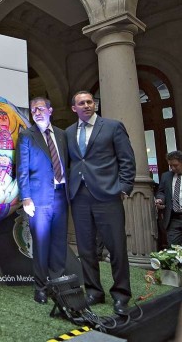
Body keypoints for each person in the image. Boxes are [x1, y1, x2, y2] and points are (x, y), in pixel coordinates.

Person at [66, 91, 135, 315]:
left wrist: (124, 187)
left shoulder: (113, 127)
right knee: (86, 248)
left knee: (116, 247)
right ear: (74, 108)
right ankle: (94, 291)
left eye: (90, 101)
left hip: (108, 195)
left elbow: (126, 158)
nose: (87, 105)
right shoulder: (68, 132)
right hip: (80, 196)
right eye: (82, 103)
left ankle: (121, 295)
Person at [16, 97, 68, 304]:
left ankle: (59, 285)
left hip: (62, 195)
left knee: (59, 243)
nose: (36, 113)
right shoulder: (26, 136)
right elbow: (22, 169)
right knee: (41, 244)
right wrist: (26, 197)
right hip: (38, 199)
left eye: (40, 109)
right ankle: (41, 288)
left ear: (50, 110)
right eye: (33, 110)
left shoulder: (62, 135)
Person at [155, 151, 182, 246]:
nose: (173, 168)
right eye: (170, 166)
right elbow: (161, 192)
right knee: (173, 248)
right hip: (174, 218)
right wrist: (160, 199)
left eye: (175, 165)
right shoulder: (166, 176)